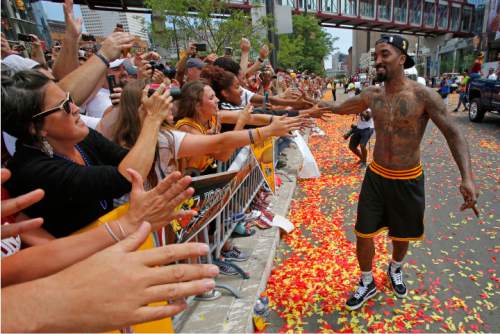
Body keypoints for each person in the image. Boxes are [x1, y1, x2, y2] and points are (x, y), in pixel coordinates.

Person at [319, 35, 478, 311]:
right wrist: (303, 104)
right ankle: (367, 281)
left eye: (384, 55)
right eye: (376, 56)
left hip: (408, 179)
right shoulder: (372, 95)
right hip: (377, 176)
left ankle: (395, 267)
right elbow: (337, 107)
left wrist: (467, 177)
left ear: (402, 59)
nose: (377, 61)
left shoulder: (423, 96)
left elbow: (453, 133)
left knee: (402, 234)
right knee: (363, 232)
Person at [1, 70, 170, 238]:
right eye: (64, 106)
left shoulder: (81, 137)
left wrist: (143, 123)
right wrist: (153, 120)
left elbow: (128, 160)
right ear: (35, 127)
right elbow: (128, 177)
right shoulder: (32, 170)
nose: (75, 108)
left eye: (70, 99)